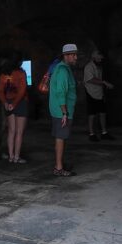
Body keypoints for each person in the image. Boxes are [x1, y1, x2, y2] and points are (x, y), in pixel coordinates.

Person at [50, 44, 79, 176]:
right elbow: (61, 92)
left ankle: (59, 164)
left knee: (61, 137)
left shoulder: (64, 69)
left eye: (75, 54)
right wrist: (64, 113)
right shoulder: (62, 70)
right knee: (61, 137)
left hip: (62, 110)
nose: (76, 57)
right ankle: (59, 168)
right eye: (73, 55)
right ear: (66, 56)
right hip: (61, 111)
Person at [0, 54, 29, 163]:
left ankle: (10, 156)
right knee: (19, 132)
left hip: (8, 102)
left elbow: (0, 91)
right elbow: (22, 90)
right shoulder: (21, 73)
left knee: (11, 131)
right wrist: (15, 104)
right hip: (20, 103)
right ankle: (16, 157)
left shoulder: (3, 75)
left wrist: (5, 102)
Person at [83, 49, 115, 141]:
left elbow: (98, 80)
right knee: (92, 114)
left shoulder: (99, 66)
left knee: (102, 113)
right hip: (91, 92)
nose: (101, 60)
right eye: (99, 58)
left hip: (99, 93)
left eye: (101, 58)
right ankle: (91, 134)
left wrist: (104, 87)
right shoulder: (89, 67)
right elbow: (90, 79)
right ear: (94, 58)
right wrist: (104, 83)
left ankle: (104, 133)